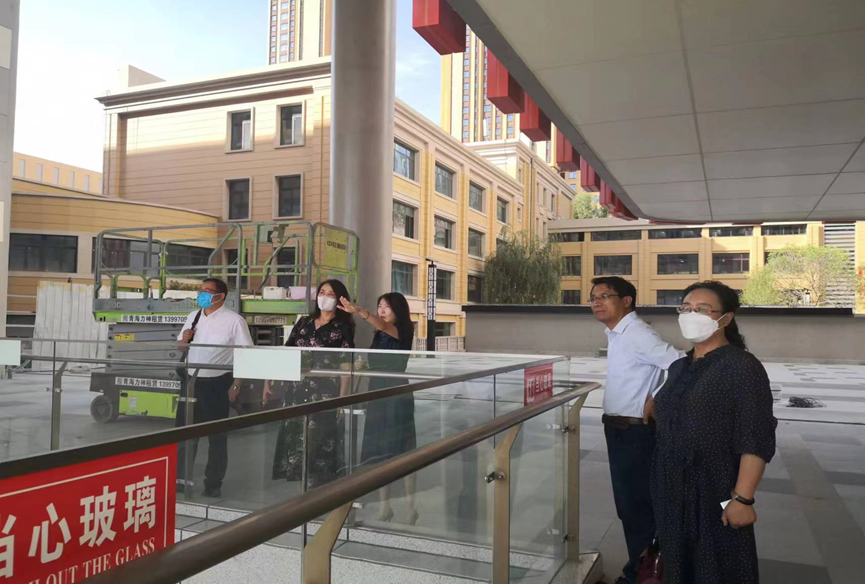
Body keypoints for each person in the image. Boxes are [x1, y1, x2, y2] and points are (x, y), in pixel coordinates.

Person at [652, 281, 776, 584]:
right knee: (678, 565)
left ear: (726, 318)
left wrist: (743, 499)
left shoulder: (741, 367)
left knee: (718, 565)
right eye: (686, 308)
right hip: (670, 486)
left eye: (702, 309)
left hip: (715, 487)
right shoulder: (680, 366)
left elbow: (756, 436)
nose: (691, 315)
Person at [589, 276, 683, 584]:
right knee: (631, 508)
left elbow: (680, 363)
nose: (597, 302)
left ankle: (642, 577)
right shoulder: (618, 333)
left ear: (626, 301)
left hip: (634, 435)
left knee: (636, 509)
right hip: (621, 431)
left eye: (605, 296)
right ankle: (641, 572)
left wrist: (657, 397)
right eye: (593, 298)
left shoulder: (637, 333)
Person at [265, 279, 355, 489]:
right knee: (295, 437)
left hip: (325, 392)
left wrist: (342, 399)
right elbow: (287, 351)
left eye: (330, 294)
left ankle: (319, 490)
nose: (325, 297)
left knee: (320, 440)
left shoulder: (343, 327)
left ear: (340, 299)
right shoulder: (304, 322)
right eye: (322, 292)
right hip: (296, 390)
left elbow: (346, 364)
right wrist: (269, 379)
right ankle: (303, 489)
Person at [338, 292, 418, 524]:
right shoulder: (379, 333)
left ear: (398, 310)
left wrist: (359, 311)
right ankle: (385, 507)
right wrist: (365, 365)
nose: (381, 310)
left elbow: (382, 325)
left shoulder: (403, 329)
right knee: (381, 451)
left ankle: (411, 508)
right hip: (377, 390)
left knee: (403, 450)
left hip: (396, 391)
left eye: (386, 306)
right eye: (379, 306)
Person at [176, 277, 253, 498]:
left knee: (216, 436)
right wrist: (184, 339)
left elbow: (246, 354)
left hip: (217, 383)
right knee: (184, 434)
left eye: (208, 291)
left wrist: (236, 384)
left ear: (221, 296)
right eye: (201, 290)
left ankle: (213, 483)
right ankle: (180, 480)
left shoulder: (234, 321)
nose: (202, 294)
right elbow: (180, 348)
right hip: (191, 382)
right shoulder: (193, 316)